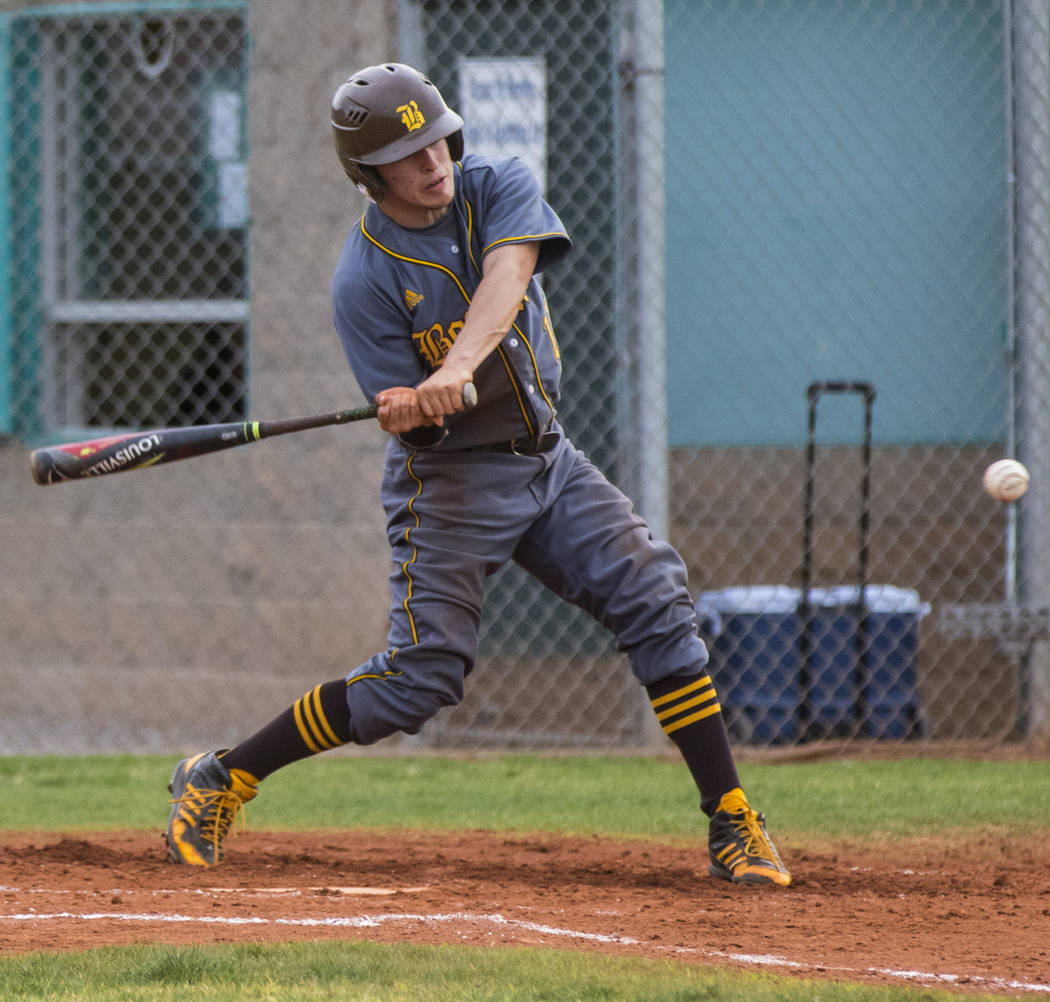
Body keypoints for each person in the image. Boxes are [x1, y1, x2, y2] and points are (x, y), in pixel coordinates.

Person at [164, 62, 791, 888]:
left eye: (438, 141)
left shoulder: (495, 184)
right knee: (413, 687)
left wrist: (458, 362)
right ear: (368, 173)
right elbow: (414, 421)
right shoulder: (364, 279)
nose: (434, 163)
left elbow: (511, 275)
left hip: (548, 459)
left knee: (655, 599)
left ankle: (732, 818)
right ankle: (223, 776)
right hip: (452, 484)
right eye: (409, 154)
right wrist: (410, 408)